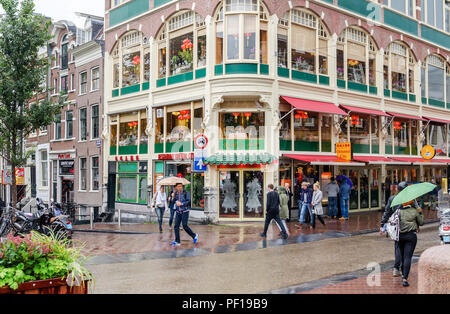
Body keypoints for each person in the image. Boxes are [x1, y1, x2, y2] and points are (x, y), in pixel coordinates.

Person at [380, 181, 408, 276]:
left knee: (398, 246)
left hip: (396, 226)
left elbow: (387, 212)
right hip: (407, 226)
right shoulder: (410, 199)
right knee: (406, 247)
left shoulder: (392, 199)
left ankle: (397, 268)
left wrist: (382, 224)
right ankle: (402, 268)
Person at [397, 199, 424, 287]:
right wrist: (420, 213)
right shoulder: (414, 211)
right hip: (411, 236)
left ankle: (402, 272)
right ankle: (405, 278)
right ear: (411, 202)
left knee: (402, 255)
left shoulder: (398, 211)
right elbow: (421, 222)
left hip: (400, 236)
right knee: (407, 257)